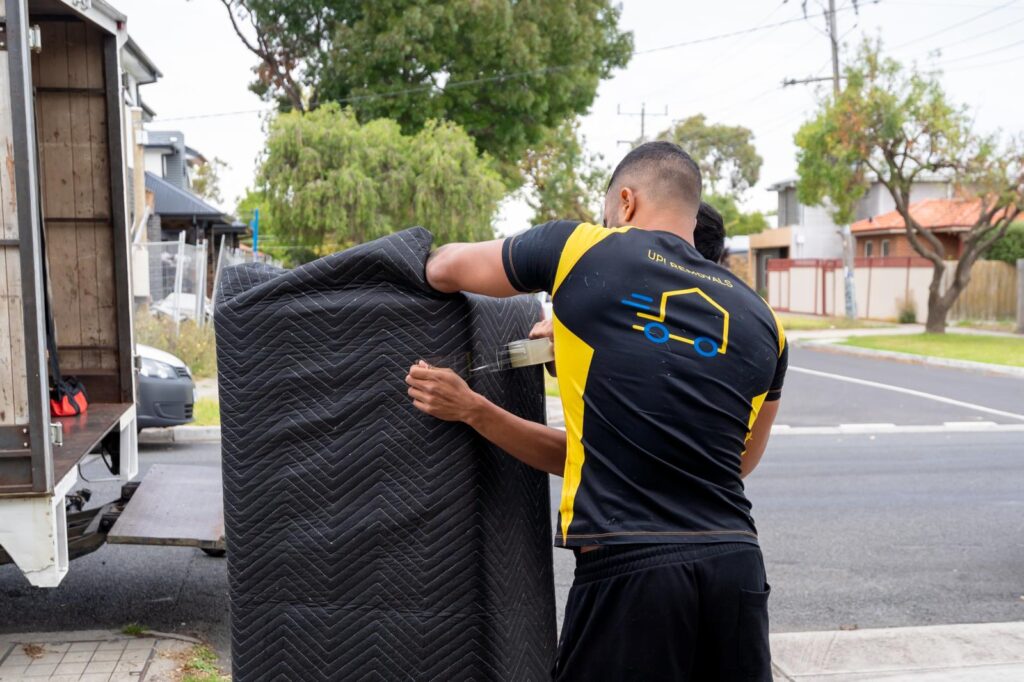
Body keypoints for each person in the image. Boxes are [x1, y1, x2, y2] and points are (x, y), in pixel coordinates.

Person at [405, 141, 786, 681]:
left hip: (630, 571)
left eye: (609, 214)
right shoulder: (765, 320)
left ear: (625, 202)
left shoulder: (581, 249)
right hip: (736, 566)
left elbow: (446, 268)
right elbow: (737, 462)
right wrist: (479, 409)